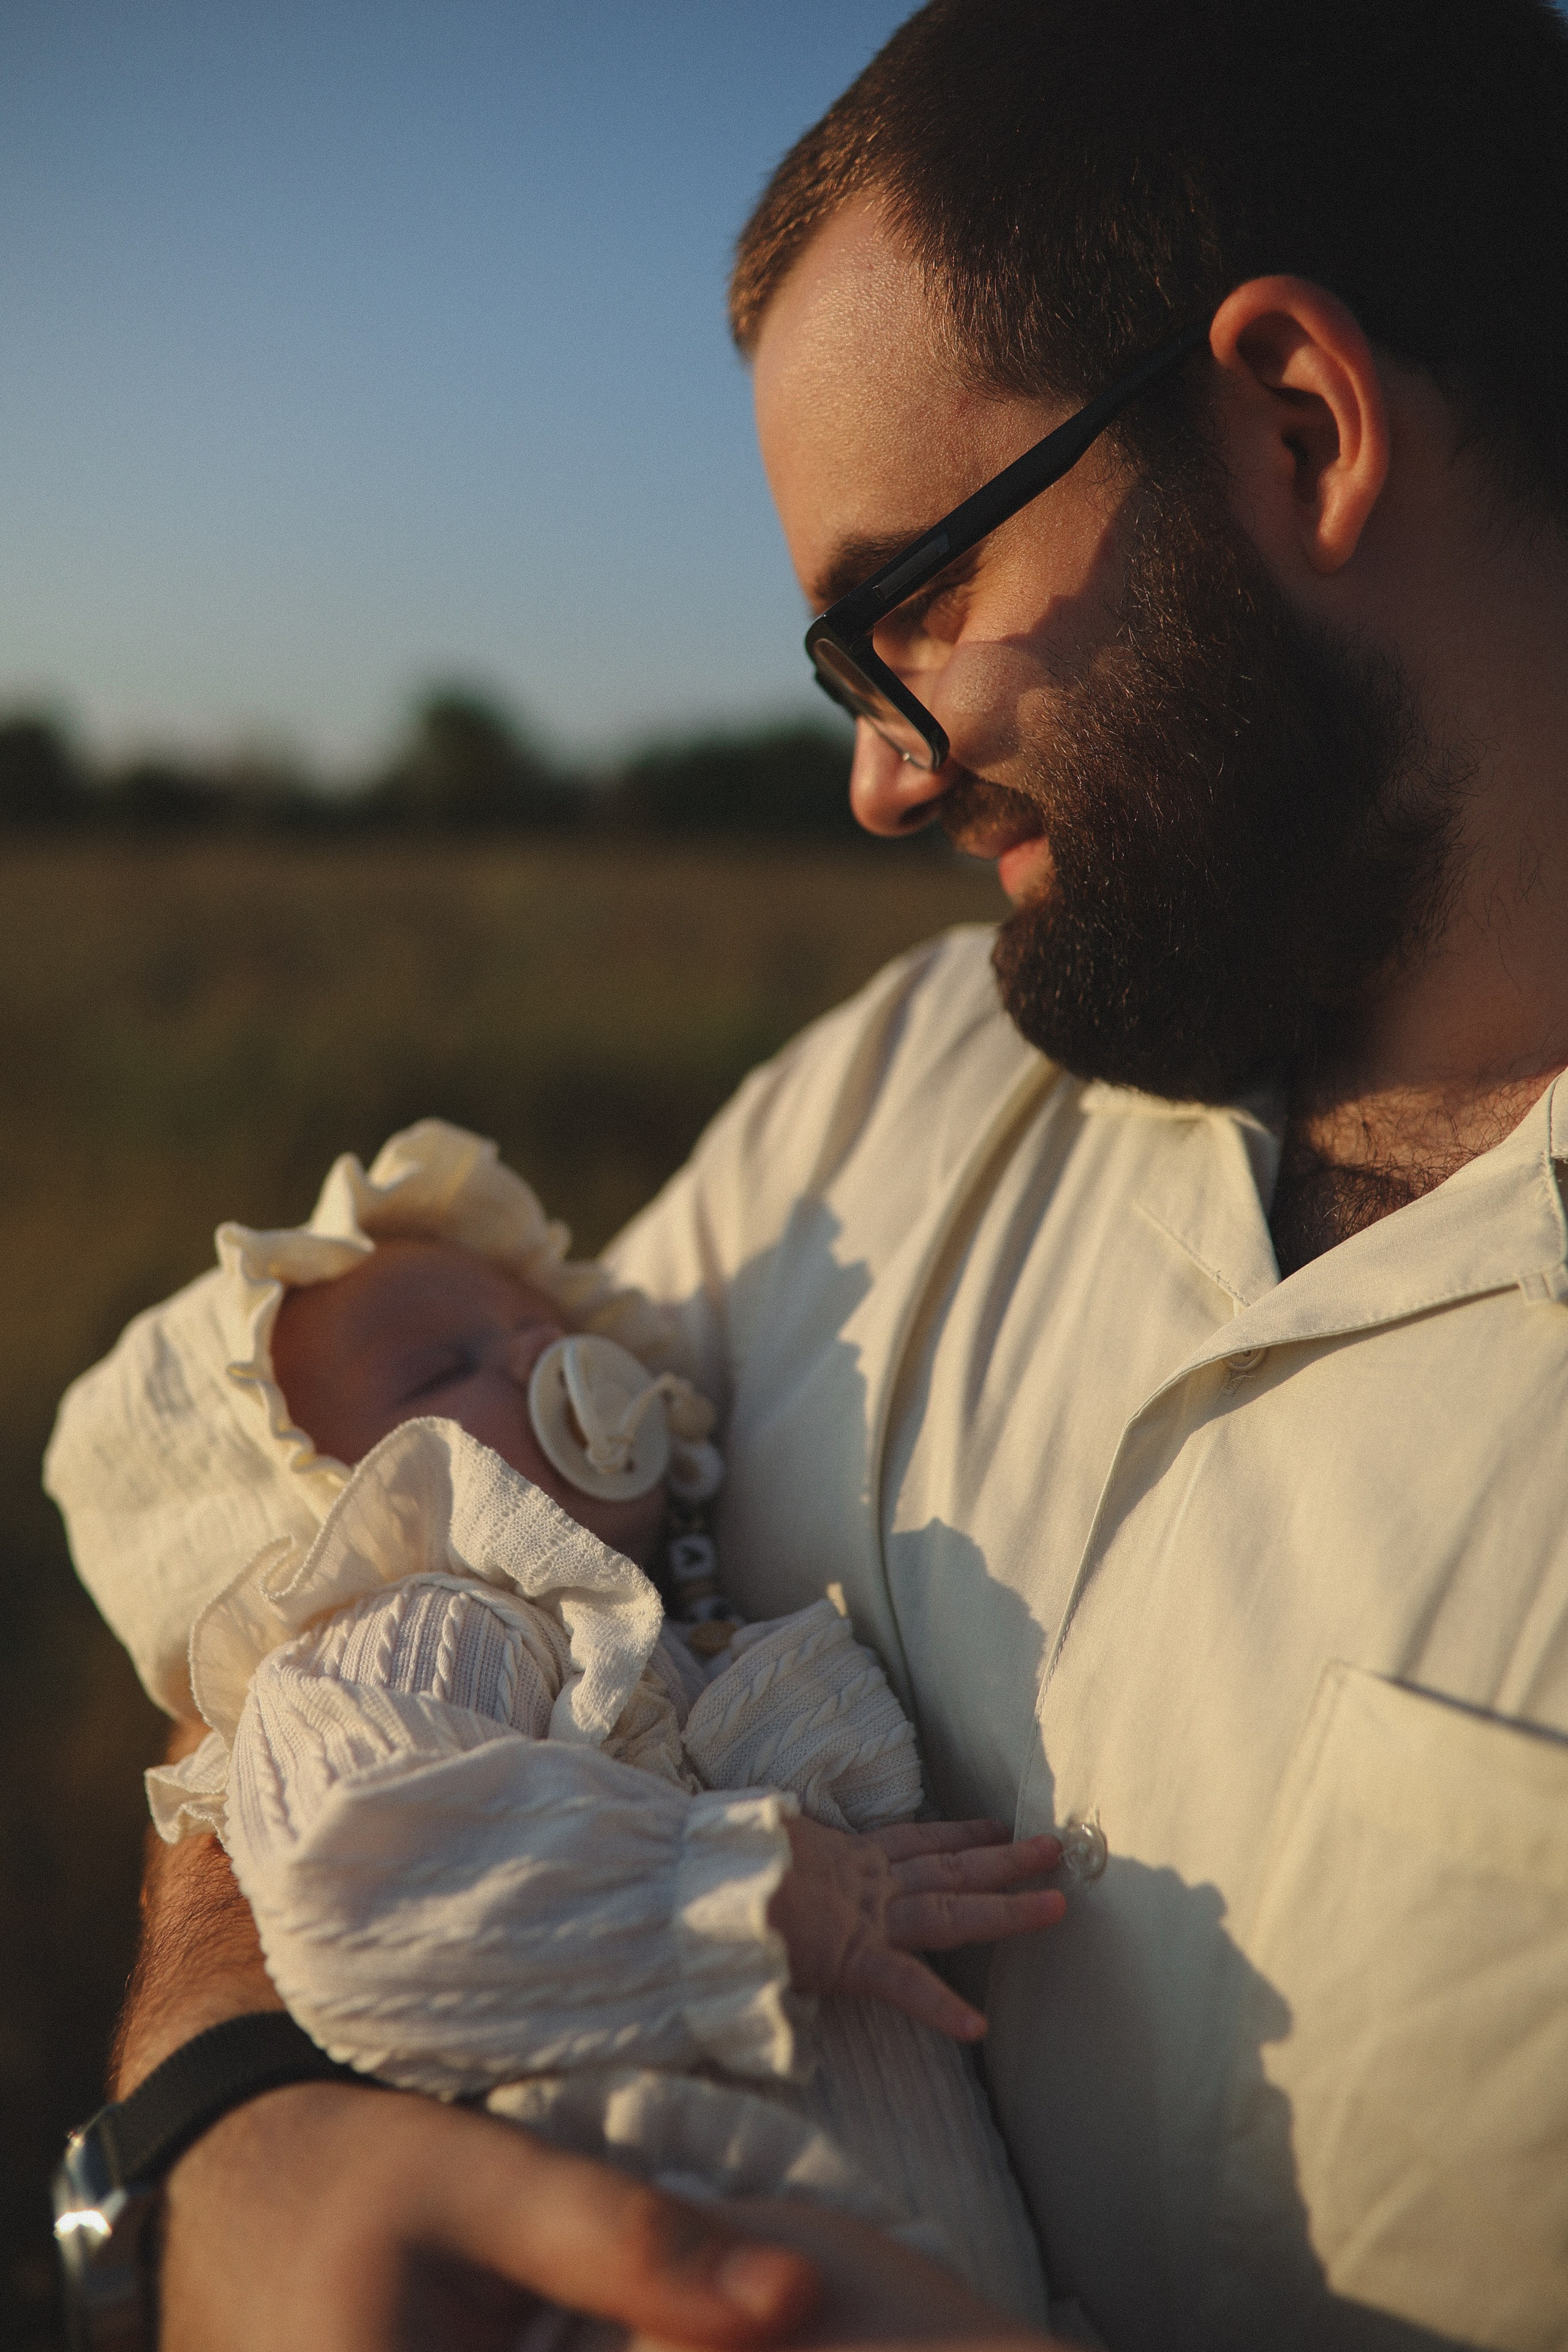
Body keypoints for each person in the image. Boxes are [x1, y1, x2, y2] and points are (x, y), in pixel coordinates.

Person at [84, 1, 1568, 2345]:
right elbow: (325, 1564)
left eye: (914, 604)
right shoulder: (883, 1094)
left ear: (1299, 424)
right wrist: (223, 2099)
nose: (882, 777)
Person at [45, 1120, 1055, 2323]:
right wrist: (748, 1891)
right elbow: (370, 1867)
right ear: (319, 1504)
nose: (542, 1350)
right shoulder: (420, 1619)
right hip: (698, 2263)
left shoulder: (634, 1626)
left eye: (537, 1319)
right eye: (443, 1368)